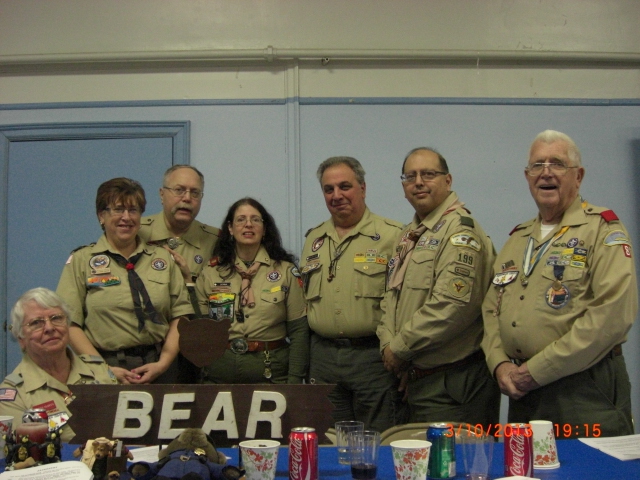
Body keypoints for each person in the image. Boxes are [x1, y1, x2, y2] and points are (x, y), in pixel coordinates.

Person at [482, 130, 637, 437]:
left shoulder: (602, 230)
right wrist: (500, 364)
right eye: (537, 165)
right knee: (526, 464)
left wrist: (537, 371)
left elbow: (612, 315)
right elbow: (490, 310)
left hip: (584, 390)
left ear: (578, 176)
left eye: (557, 163)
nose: (546, 172)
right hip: (523, 393)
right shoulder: (518, 239)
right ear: (527, 176)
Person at [377, 147, 500, 426]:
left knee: (453, 456)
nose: (418, 182)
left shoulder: (460, 231)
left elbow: (452, 306)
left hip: (453, 384)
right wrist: (388, 346)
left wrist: (398, 349)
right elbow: (390, 299)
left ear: (448, 180)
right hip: (416, 378)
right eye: (410, 176)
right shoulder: (408, 236)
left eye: (428, 174)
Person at [301, 156, 404, 432]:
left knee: (379, 438)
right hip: (323, 358)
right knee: (329, 441)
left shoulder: (392, 236)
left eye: (344, 186)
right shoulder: (313, 239)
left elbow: (406, 303)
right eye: (328, 189)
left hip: (373, 358)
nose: (336, 195)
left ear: (363, 188)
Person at [56, 177, 193, 384]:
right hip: (104, 368)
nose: (126, 217)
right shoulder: (81, 260)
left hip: (160, 367)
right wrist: (104, 370)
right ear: (101, 216)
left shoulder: (163, 259)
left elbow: (180, 315)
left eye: (133, 210)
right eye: (118, 209)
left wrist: (164, 363)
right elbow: (69, 323)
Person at [195, 197, 309, 383]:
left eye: (255, 219)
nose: (248, 224)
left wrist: (295, 380)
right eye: (241, 219)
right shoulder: (211, 272)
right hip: (220, 375)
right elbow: (200, 329)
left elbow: (299, 332)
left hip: (271, 373)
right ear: (230, 228)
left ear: (264, 229)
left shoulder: (285, 271)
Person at [0, 288, 117, 443]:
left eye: (56, 318)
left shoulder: (99, 370)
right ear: (21, 338)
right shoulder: (14, 395)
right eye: (36, 323)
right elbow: (21, 451)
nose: (49, 328)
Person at [139, 164, 220, 382]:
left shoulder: (216, 241)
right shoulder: (138, 232)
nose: (186, 198)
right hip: (146, 347)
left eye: (195, 193)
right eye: (179, 190)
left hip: (195, 351)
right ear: (162, 194)